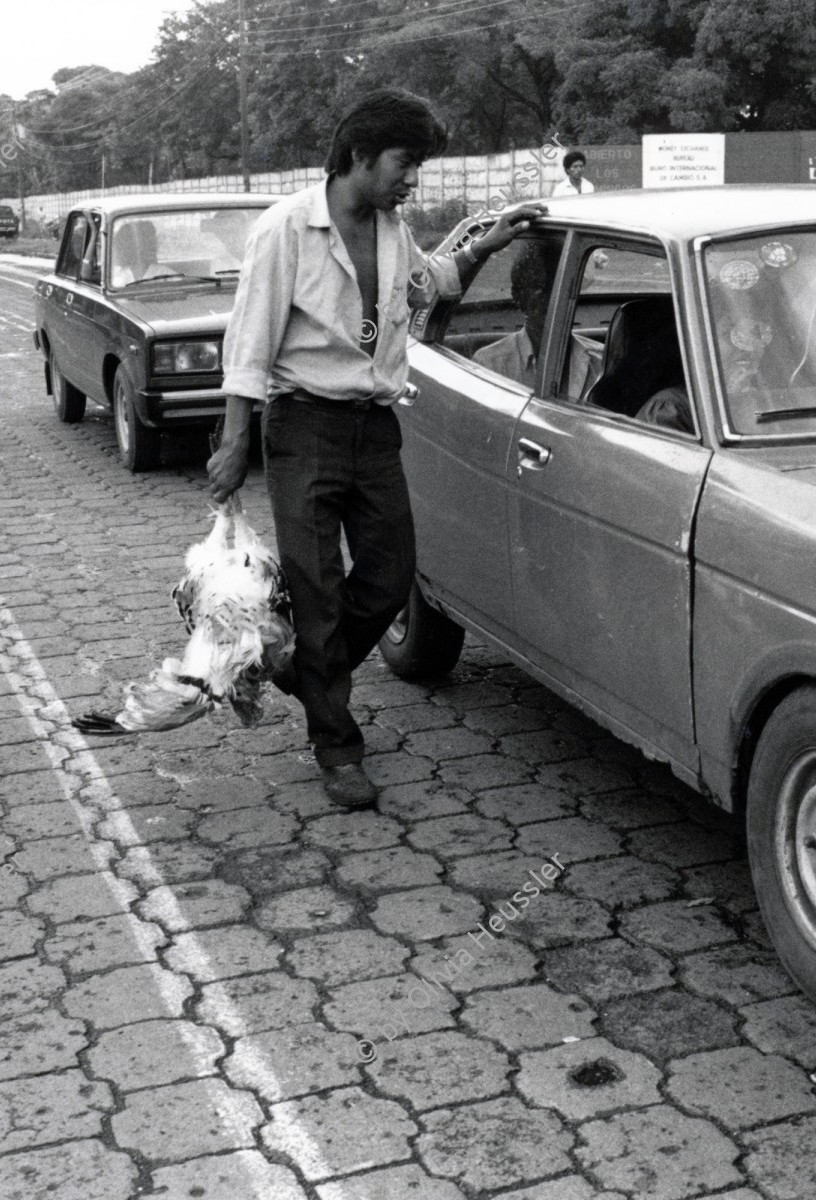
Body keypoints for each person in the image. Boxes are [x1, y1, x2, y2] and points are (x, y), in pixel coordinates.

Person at [207, 88, 542, 808]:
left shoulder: (393, 229)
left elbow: (431, 284)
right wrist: (235, 442)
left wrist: (488, 240)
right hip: (302, 429)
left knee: (391, 577)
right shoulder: (285, 230)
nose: (411, 178)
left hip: (374, 430)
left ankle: (304, 668)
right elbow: (249, 343)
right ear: (359, 156)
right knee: (319, 589)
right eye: (404, 162)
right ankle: (337, 747)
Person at [472, 239, 561, 388]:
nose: (549, 297)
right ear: (518, 296)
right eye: (538, 286)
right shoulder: (490, 364)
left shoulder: (599, 359)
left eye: (556, 286)